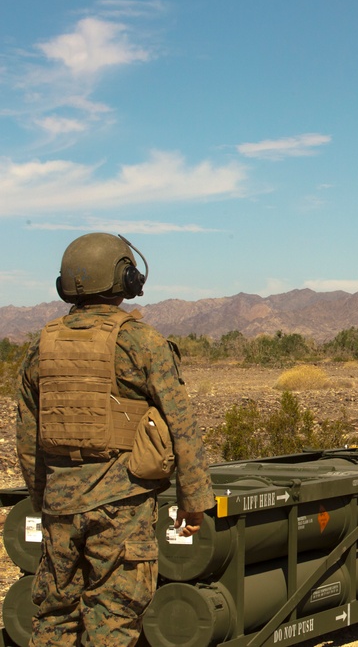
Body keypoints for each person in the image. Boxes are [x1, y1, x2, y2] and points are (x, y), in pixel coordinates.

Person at [15, 232, 215, 646]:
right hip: (122, 505)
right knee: (114, 619)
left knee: (54, 617)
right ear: (126, 280)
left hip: (59, 507)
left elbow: (27, 439)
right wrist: (194, 500)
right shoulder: (141, 342)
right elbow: (182, 424)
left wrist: (46, 501)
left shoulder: (41, 347)